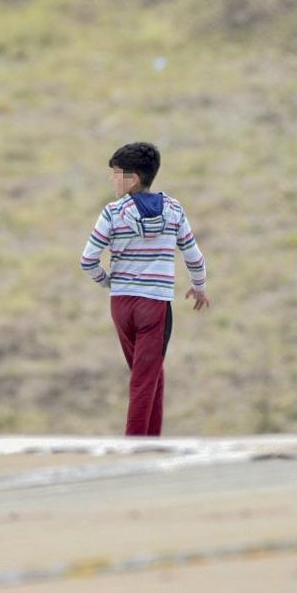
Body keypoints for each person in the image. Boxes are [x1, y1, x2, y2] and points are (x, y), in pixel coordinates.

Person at [79, 142, 209, 437]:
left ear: (133, 178)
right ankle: (134, 447)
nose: (112, 179)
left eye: (116, 173)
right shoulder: (174, 210)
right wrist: (199, 286)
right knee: (144, 378)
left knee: (149, 374)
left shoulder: (112, 213)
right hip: (155, 305)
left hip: (122, 305)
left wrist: (108, 281)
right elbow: (193, 255)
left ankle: (152, 440)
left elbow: (88, 260)